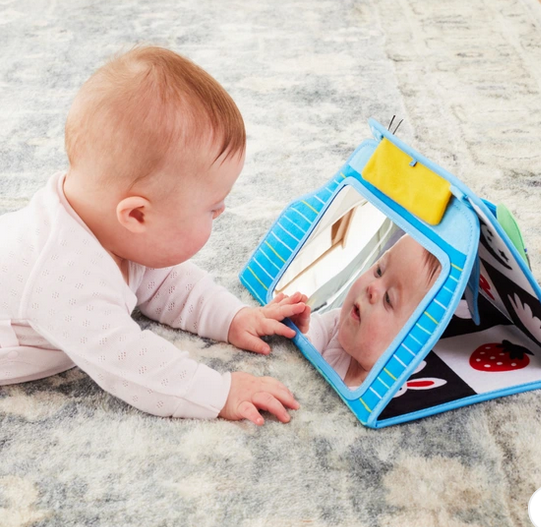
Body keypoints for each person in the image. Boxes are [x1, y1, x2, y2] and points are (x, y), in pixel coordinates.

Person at [0, 45, 306, 426]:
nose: (222, 212)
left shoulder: (114, 228)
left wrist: (232, 317)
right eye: (212, 207)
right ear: (137, 215)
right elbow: (130, 363)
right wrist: (220, 392)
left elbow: (167, 283)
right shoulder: (64, 277)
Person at [287, 234, 441, 388]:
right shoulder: (337, 322)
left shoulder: (378, 391)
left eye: (388, 299)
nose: (372, 287)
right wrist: (297, 331)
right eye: (379, 271)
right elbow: (307, 336)